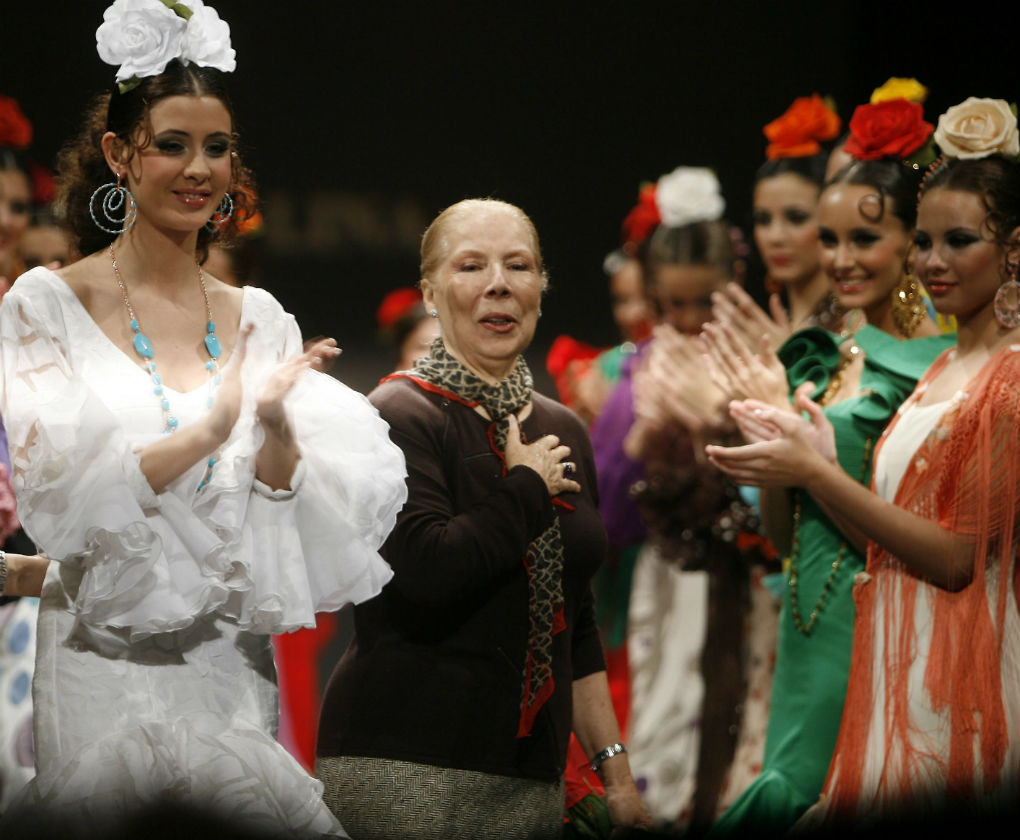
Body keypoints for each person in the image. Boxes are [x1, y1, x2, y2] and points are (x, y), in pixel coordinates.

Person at [0, 2, 406, 835]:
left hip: (225, 658)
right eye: (172, 145)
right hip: (98, 653)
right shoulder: (44, 305)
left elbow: (275, 517)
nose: (199, 169)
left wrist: (277, 435)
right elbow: (60, 497)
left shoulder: (261, 315)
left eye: (217, 147)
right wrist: (210, 431)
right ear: (119, 154)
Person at [712, 96, 1020, 828]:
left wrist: (815, 472)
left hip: (951, 665)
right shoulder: (944, 365)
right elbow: (813, 536)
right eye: (926, 241)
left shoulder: (1005, 378)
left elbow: (957, 559)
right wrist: (805, 453)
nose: (933, 261)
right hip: (884, 648)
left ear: (1014, 249)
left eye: (959, 240)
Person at [316, 198, 651, 840]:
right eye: (471, 266)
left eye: (518, 266)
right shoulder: (397, 413)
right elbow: (431, 570)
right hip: (406, 765)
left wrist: (617, 779)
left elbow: (576, 626)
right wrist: (526, 487)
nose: (498, 284)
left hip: (530, 779)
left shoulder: (562, 428)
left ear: (540, 289)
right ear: (431, 294)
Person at [710, 94, 843, 354]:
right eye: (763, 220)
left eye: (796, 218)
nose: (775, 237)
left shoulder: (855, 327)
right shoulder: (761, 329)